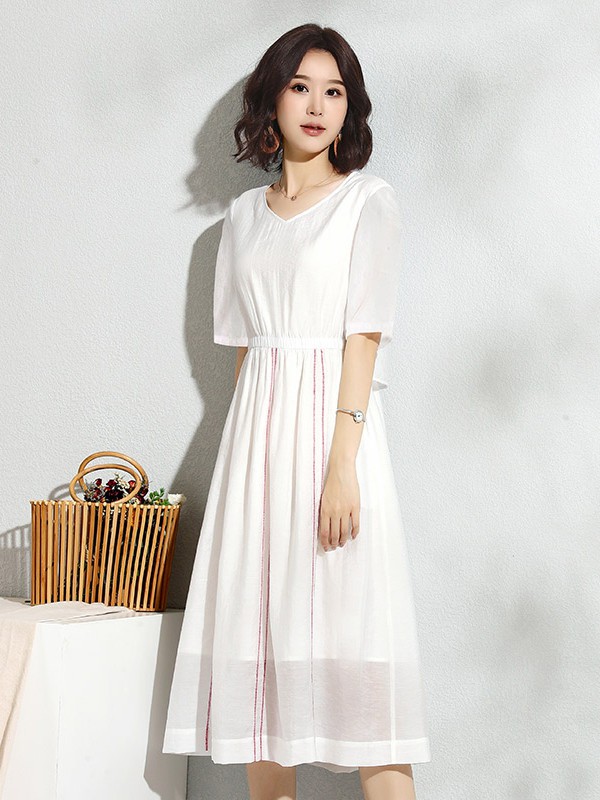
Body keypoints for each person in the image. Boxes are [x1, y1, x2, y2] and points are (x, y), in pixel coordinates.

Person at [163, 23, 432, 800]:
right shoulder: (241, 221)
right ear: (273, 102)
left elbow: (363, 338)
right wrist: (251, 467)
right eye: (301, 87)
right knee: (263, 684)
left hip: (336, 442)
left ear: (350, 110)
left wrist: (342, 465)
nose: (317, 106)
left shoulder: (368, 203)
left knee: (365, 678)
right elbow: (247, 354)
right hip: (258, 449)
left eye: (334, 91)